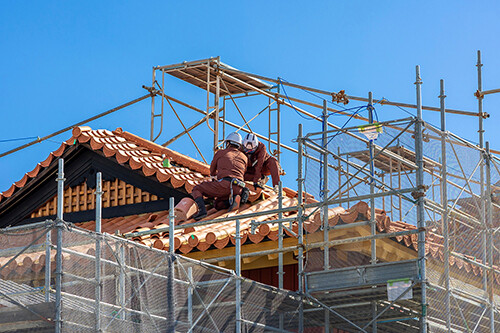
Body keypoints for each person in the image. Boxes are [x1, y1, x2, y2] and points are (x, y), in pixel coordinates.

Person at [191, 132, 249, 220]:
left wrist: (215, 176)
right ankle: (234, 198)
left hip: (224, 185)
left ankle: (202, 211)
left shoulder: (221, 153)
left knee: (197, 189)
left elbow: (212, 171)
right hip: (239, 186)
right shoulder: (244, 157)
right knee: (218, 204)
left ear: (228, 143)